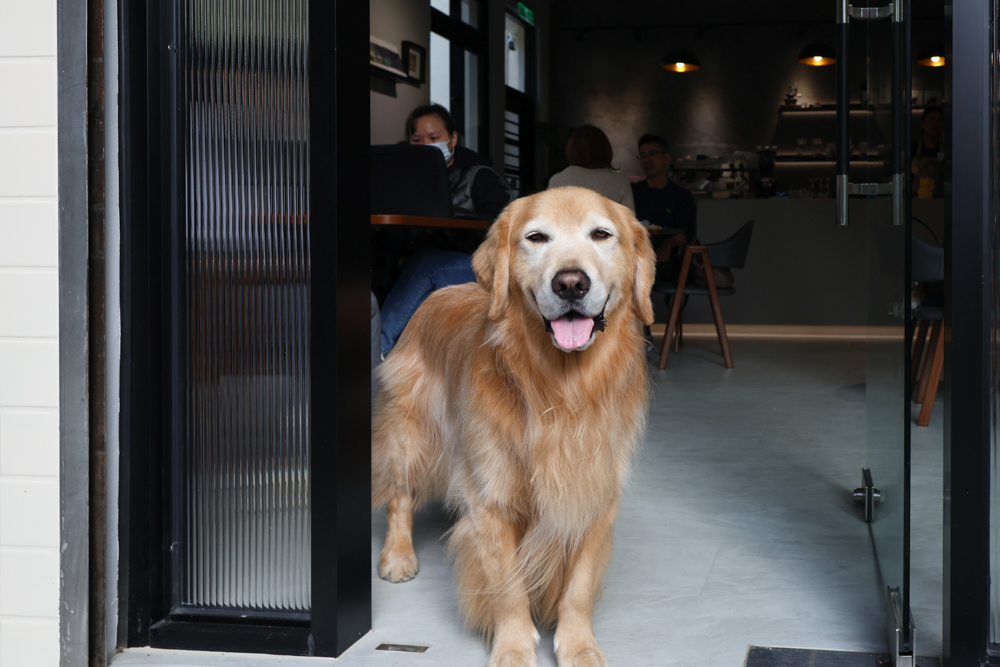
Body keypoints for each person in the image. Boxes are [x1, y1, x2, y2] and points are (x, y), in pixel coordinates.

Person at [379, 104, 512, 356]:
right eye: (417, 140)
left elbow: (498, 228)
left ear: (452, 139)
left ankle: (378, 346)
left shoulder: (480, 176)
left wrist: (443, 226)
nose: (425, 146)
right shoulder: (408, 181)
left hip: (483, 264)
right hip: (424, 261)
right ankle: (396, 358)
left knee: (427, 263)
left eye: (434, 138)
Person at [631, 133, 697, 277]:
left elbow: (687, 232)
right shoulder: (634, 191)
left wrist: (669, 243)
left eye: (652, 154)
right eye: (642, 156)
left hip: (669, 259)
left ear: (666, 158)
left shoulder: (681, 195)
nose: (646, 160)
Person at [547, 125, 635, 211]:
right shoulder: (620, 182)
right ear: (605, 149)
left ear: (572, 149)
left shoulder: (556, 180)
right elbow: (629, 219)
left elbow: (548, 217)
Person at [912, 105, 944, 198]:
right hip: (916, 201)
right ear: (923, 123)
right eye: (931, 118)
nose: (935, 122)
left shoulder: (948, 149)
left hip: (940, 201)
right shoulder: (913, 148)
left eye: (939, 119)